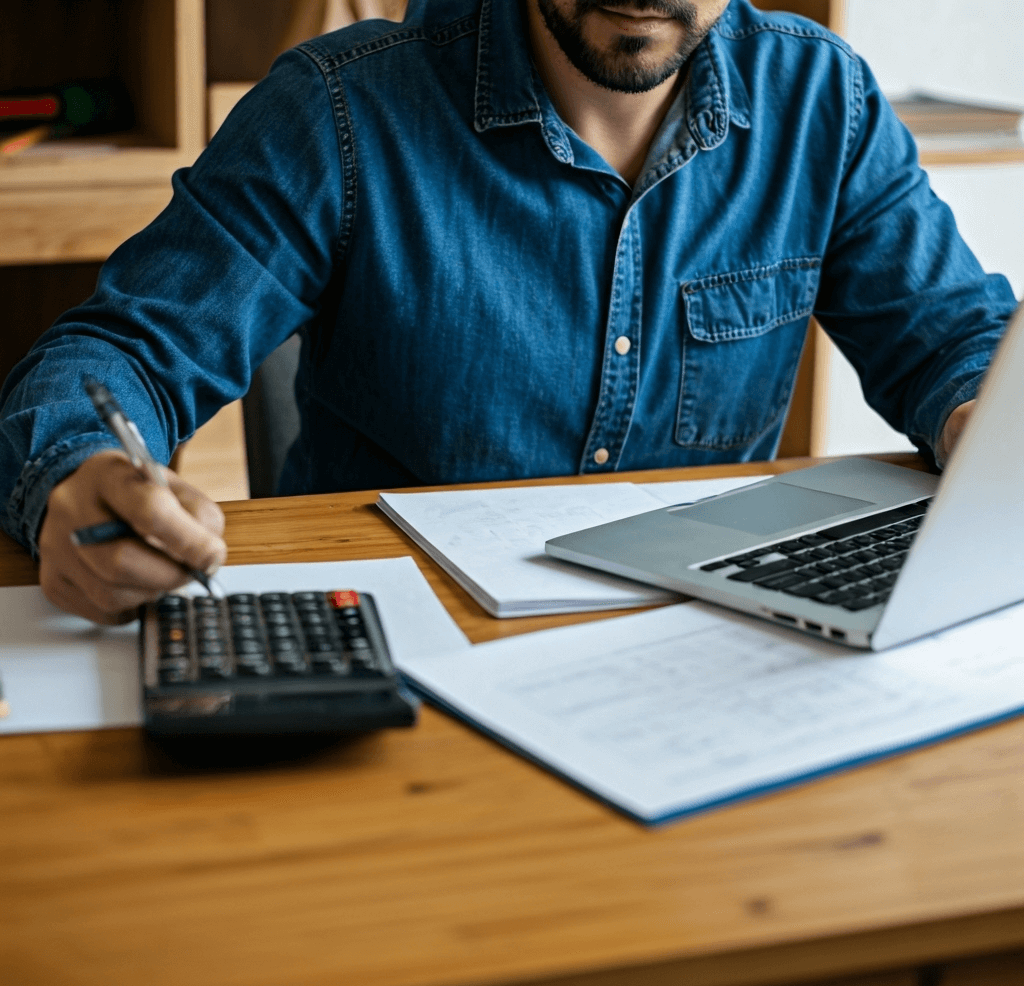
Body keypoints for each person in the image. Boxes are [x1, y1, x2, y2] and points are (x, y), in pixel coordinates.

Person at [0, 0, 1015, 625]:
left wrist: (979, 419)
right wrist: (77, 480)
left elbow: (955, 338)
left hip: (710, 653)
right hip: (413, 666)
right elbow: (113, 355)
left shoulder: (818, 101)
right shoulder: (341, 111)